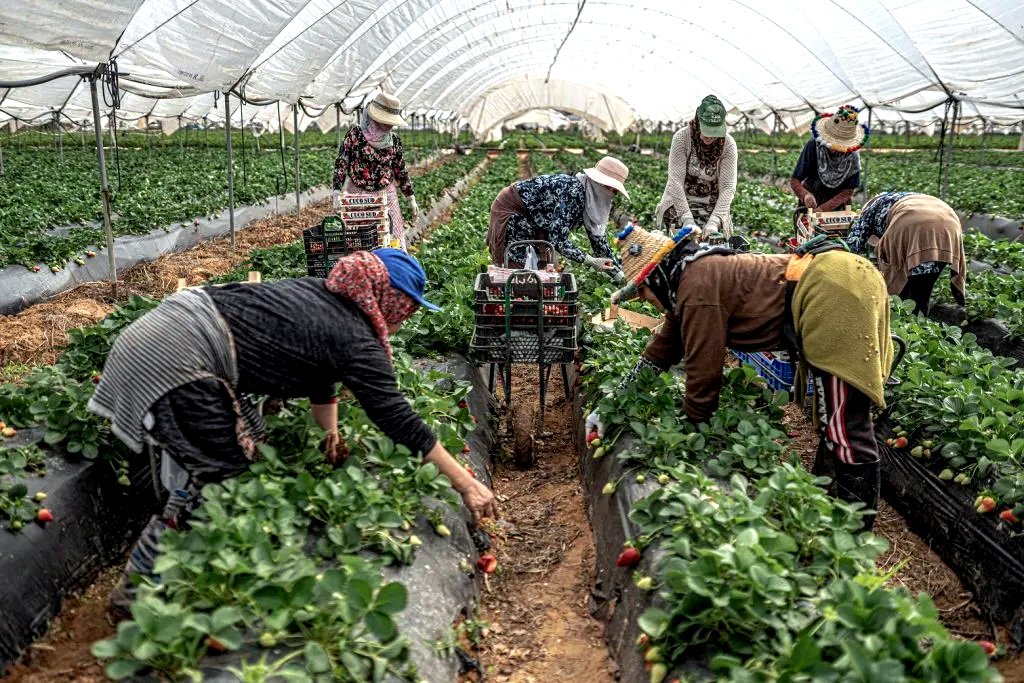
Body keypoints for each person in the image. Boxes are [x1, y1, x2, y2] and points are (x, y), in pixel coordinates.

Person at [89, 249, 498, 619]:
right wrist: (465, 483)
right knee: (221, 478)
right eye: (407, 309)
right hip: (174, 358)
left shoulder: (324, 296)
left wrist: (331, 435)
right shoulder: (355, 336)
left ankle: (185, 563)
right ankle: (137, 592)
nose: (405, 319)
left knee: (236, 451)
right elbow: (395, 417)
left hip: (163, 334)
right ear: (390, 298)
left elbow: (321, 375)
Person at [586, 225, 893, 530]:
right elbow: (662, 350)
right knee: (832, 414)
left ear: (656, 277)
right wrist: (612, 403)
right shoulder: (690, 278)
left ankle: (856, 534)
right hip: (838, 277)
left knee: (845, 421)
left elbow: (704, 371)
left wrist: (695, 429)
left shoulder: (696, 288)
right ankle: (831, 504)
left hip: (836, 290)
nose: (645, 300)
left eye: (643, 291)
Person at [486, 156, 629, 277]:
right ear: (597, 181)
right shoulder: (574, 192)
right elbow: (558, 239)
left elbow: (598, 241)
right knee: (521, 269)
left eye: (614, 190)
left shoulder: (590, 195)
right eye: (608, 186)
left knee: (538, 266)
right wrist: (589, 260)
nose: (610, 192)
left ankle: (529, 298)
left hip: (533, 217)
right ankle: (517, 305)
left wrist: (619, 274)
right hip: (513, 209)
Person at [846, 191, 966, 314]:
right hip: (949, 225)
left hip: (910, 224)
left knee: (898, 291)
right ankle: (920, 324)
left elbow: (853, 244)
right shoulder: (902, 197)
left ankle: (899, 321)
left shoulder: (870, 209)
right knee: (922, 292)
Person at [332, 92, 421, 250]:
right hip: (357, 196)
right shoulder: (355, 135)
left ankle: (390, 272)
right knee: (360, 243)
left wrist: (410, 196)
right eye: (385, 120)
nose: (389, 125)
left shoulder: (394, 140)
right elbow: (342, 162)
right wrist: (337, 191)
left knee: (393, 240)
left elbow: (400, 170)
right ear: (374, 117)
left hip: (386, 196)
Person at [655, 95, 738, 238]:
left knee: (714, 245)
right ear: (698, 122)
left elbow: (728, 187)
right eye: (706, 131)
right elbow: (675, 181)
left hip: (712, 207)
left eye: (714, 132)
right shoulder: (682, 138)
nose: (710, 137)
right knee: (681, 245)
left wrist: (714, 221)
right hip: (680, 204)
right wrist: (687, 219)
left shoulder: (728, 145)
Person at [790, 105, 868, 220]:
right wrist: (805, 195)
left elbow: (848, 191)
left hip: (837, 208)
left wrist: (823, 210)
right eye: (830, 140)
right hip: (812, 203)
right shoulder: (813, 147)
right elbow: (795, 181)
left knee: (836, 235)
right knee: (809, 234)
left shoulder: (852, 157)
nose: (833, 146)